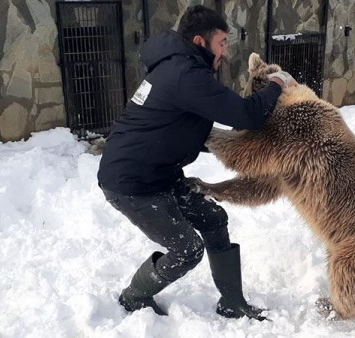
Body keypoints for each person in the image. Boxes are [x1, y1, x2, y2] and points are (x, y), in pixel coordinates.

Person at [97, 5, 294, 321]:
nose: (225, 52)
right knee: (187, 249)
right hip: (131, 183)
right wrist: (277, 84)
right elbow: (248, 115)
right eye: (222, 43)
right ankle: (133, 297)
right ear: (201, 42)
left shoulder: (181, 68)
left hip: (159, 174)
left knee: (214, 219)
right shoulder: (184, 75)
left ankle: (233, 301)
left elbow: (187, 126)